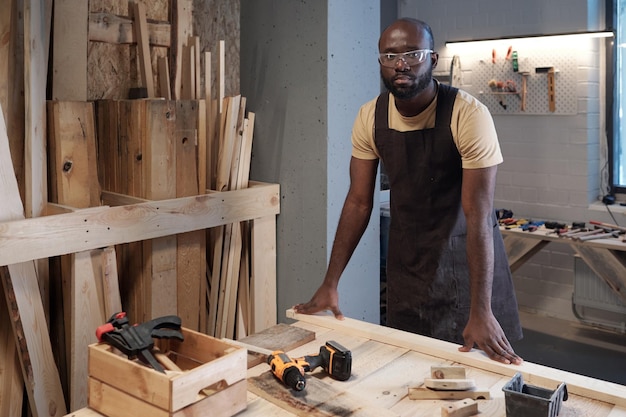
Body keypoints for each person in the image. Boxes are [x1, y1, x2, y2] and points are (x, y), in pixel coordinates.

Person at [294, 17, 523, 365]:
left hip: (467, 268)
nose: (401, 64)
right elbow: (358, 203)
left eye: (412, 54)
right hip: (409, 270)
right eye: (390, 56)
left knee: (478, 384)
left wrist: (481, 310)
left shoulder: (469, 115)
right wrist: (330, 283)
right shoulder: (370, 117)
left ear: (433, 59)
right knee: (406, 374)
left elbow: (478, 215)